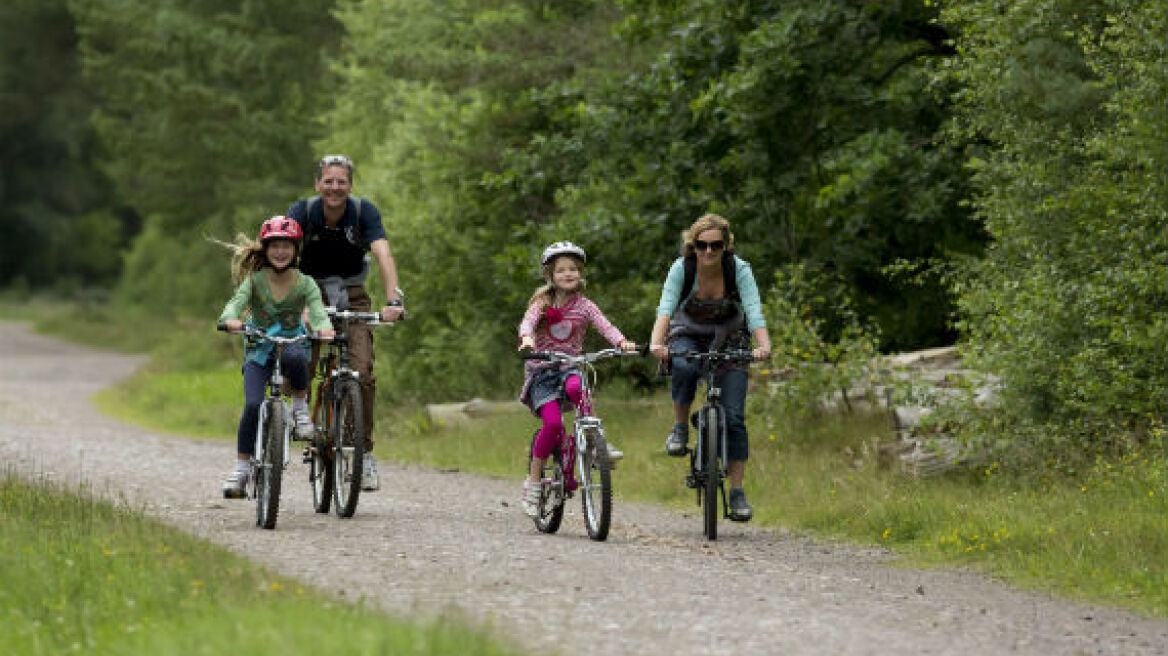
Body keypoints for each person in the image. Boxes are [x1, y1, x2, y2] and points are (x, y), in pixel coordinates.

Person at [286, 154, 403, 491]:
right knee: (301, 355)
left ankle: (363, 454)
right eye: (328, 181)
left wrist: (393, 299)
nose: (334, 187)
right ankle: (300, 412)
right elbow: (285, 254)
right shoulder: (303, 212)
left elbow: (382, 252)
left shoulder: (363, 212)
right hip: (309, 294)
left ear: (350, 185)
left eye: (341, 182)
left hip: (352, 295)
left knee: (362, 371)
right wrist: (297, 302)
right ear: (318, 184)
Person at [648, 214, 771, 522]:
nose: (708, 252)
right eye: (702, 245)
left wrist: (763, 345)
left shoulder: (738, 270)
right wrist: (656, 344)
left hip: (729, 337)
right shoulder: (682, 268)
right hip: (688, 334)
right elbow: (665, 307)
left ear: (726, 246)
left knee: (734, 417)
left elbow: (754, 310)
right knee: (684, 366)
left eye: (716, 245)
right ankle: (679, 429)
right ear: (693, 245)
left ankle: (737, 493)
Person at [217, 216, 335, 498]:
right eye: (274, 246)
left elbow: (317, 310)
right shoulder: (254, 281)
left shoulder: (305, 283)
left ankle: (299, 407)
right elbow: (235, 305)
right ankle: (242, 468)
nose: (280, 252)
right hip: (260, 349)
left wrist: (323, 328)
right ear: (266, 250)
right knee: (254, 405)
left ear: (295, 250)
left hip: (293, 342)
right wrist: (230, 319)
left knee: (296, 357)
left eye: (286, 246)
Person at [517, 241, 637, 517]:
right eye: (561, 270)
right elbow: (528, 322)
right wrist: (527, 338)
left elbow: (605, 325)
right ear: (550, 275)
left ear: (581, 273)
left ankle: (595, 441)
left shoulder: (585, 306)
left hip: (571, 366)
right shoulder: (542, 304)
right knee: (553, 423)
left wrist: (621, 341)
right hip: (543, 372)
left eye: (573, 269)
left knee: (578, 387)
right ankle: (534, 481)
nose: (568, 274)